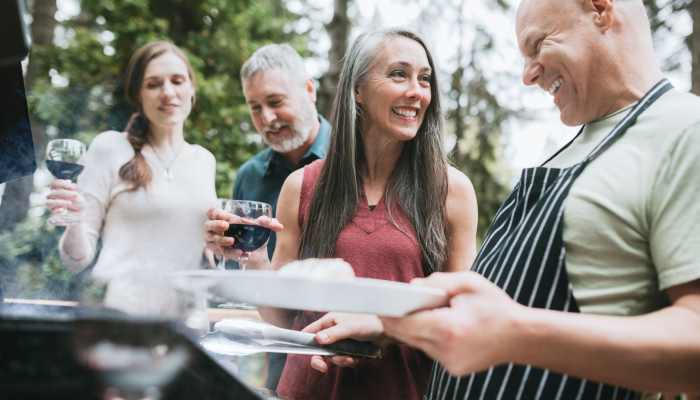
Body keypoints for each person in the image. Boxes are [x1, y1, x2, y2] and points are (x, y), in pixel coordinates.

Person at [311, 1, 700, 399]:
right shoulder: (579, 144)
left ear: (600, 10)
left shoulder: (684, 130)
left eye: (538, 45)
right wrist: (387, 322)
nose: (528, 74)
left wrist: (516, 332)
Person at [206, 28, 478, 400]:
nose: (417, 91)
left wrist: (383, 325)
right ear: (358, 91)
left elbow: (462, 318)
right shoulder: (301, 186)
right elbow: (281, 318)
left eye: (425, 79)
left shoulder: (453, 190)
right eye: (399, 74)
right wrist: (250, 254)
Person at [46, 41, 216, 315]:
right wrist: (74, 218)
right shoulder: (110, 147)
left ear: (191, 89)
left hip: (187, 327)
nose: (168, 92)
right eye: (153, 84)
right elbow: (75, 260)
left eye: (177, 80)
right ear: (139, 95)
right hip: (120, 322)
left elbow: (205, 255)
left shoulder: (205, 160)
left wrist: (222, 247)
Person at [227, 43, 331, 391]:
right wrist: (228, 250)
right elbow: (244, 281)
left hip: (347, 361)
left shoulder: (356, 161)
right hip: (280, 365)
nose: (267, 119)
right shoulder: (249, 177)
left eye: (275, 102)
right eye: (255, 108)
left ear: (309, 90)